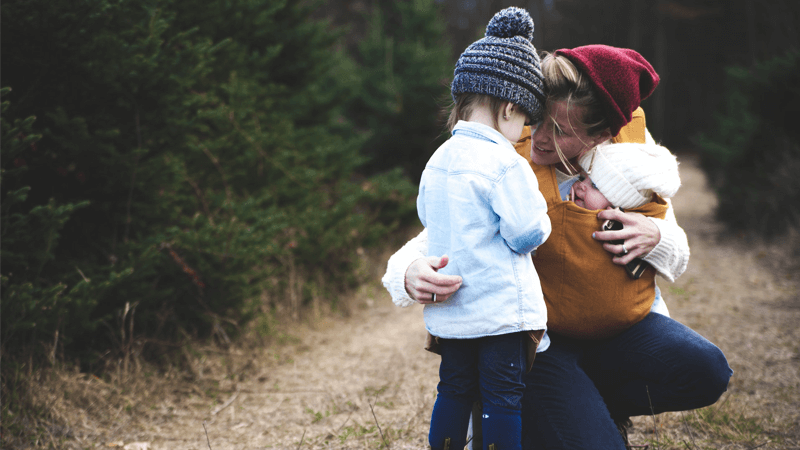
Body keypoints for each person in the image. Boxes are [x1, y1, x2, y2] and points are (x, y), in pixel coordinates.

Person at [382, 44, 733, 449]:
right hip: (540, 344)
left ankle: (590, 406)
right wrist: (406, 273)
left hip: (618, 333)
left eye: (561, 131)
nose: (540, 140)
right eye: (538, 120)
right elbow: (443, 228)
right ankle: (555, 408)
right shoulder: (505, 153)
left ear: (601, 135)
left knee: (707, 369)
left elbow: (679, 252)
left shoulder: (630, 160)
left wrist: (657, 238)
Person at [418, 8, 551, 450]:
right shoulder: (505, 162)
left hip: (453, 311)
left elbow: (427, 216)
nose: (523, 133)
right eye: (524, 122)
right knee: (502, 399)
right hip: (500, 314)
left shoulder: (438, 159)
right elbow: (526, 232)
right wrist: (543, 215)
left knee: (453, 389)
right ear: (510, 107)